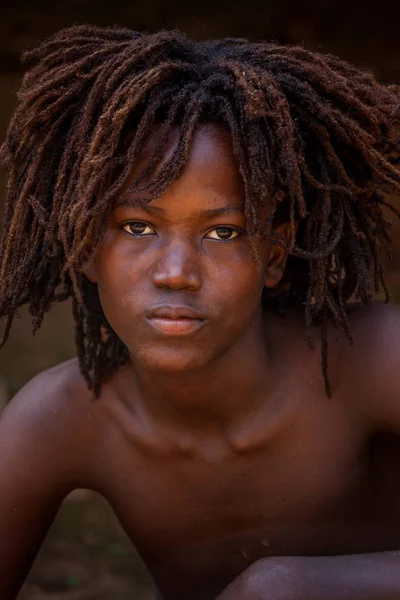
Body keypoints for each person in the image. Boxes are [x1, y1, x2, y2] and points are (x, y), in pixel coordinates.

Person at [1, 24, 400, 600]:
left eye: (222, 231)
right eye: (138, 227)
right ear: (87, 248)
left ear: (274, 255)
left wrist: (289, 586)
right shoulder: (62, 421)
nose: (176, 272)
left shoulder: (375, 363)